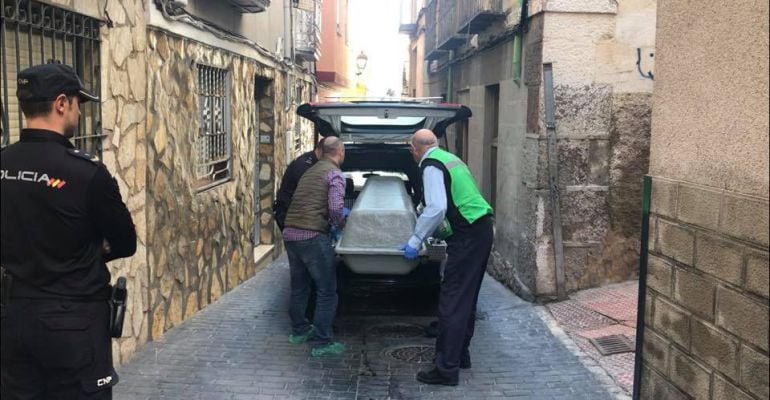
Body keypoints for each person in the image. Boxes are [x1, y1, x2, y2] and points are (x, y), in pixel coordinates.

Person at [0, 63, 137, 399]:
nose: (78, 111)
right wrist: (87, 250)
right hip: (73, 324)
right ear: (62, 103)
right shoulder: (86, 172)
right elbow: (125, 242)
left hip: (13, 316)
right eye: (78, 103)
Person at [399, 129, 494, 386]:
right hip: (481, 229)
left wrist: (415, 240)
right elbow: (456, 201)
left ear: (414, 150)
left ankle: (446, 369)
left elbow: (437, 208)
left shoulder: (430, 165)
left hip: (468, 236)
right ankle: (460, 355)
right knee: (467, 297)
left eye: (411, 150)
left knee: (452, 300)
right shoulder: (450, 159)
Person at [282, 136, 347, 357]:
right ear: (340, 152)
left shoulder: (309, 171)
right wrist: (342, 225)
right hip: (312, 235)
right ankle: (322, 341)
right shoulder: (334, 174)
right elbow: (336, 208)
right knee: (327, 290)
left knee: (300, 286)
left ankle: (299, 330)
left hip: (291, 233)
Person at [273, 138, 326, 231]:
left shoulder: (315, 163)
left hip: (297, 217)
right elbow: (308, 193)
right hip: (292, 216)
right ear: (321, 150)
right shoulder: (304, 165)